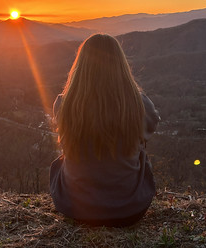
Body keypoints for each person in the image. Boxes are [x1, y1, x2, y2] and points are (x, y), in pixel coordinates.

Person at [50, 34, 160, 227]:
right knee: (142, 154)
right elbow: (152, 125)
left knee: (59, 164)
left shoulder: (63, 104)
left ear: (80, 66)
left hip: (75, 209)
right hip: (130, 210)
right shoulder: (139, 104)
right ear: (120, 65)